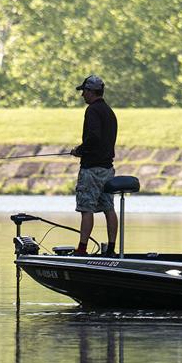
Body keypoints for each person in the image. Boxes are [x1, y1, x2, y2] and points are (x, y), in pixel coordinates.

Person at [70, 74, 118, 255]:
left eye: (84, 91)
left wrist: (79, 150)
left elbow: (94, 138)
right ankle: (111, 248)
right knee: (108, 208)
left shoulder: (92, 111)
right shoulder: (109, 112)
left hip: (91, 169)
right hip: (107, 168)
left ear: (91, 92)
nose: (83, 95)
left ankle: (82, 249)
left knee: (86, 208)